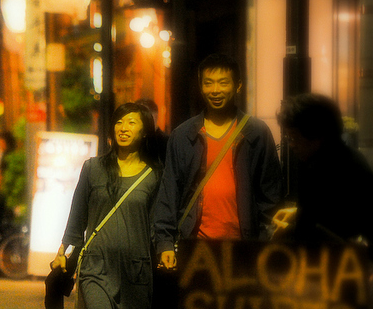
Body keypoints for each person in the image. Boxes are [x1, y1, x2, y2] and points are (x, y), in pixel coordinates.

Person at [52, 103, 162, 309]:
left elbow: (160, 224)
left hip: (136, 266)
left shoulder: (156, 174)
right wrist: (63, 251)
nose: (123, 127)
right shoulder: (93, 168)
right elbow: (77, 217)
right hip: (96, 264)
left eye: (132, 122)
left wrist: (168, 250)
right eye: (119, 122)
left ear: (144, 131)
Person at [153, 53, 282, 270]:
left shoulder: (257, 133)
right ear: (201, 86)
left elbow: (271, 196)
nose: (215, 90)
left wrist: (264, 242)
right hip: (195, 247)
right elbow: (169, 192)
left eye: (223, 83)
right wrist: (164, 242)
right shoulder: (183, 135)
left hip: (244, 249)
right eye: (208, 83)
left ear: (238, 86)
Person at [274, 93, 373, 247]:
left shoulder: (332, 169)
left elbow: (328, 230)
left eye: (294, 138)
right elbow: (325, 212)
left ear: (316, 134)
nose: (291, 145)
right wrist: (297, 212)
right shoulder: (341, 157)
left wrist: (287, 231)